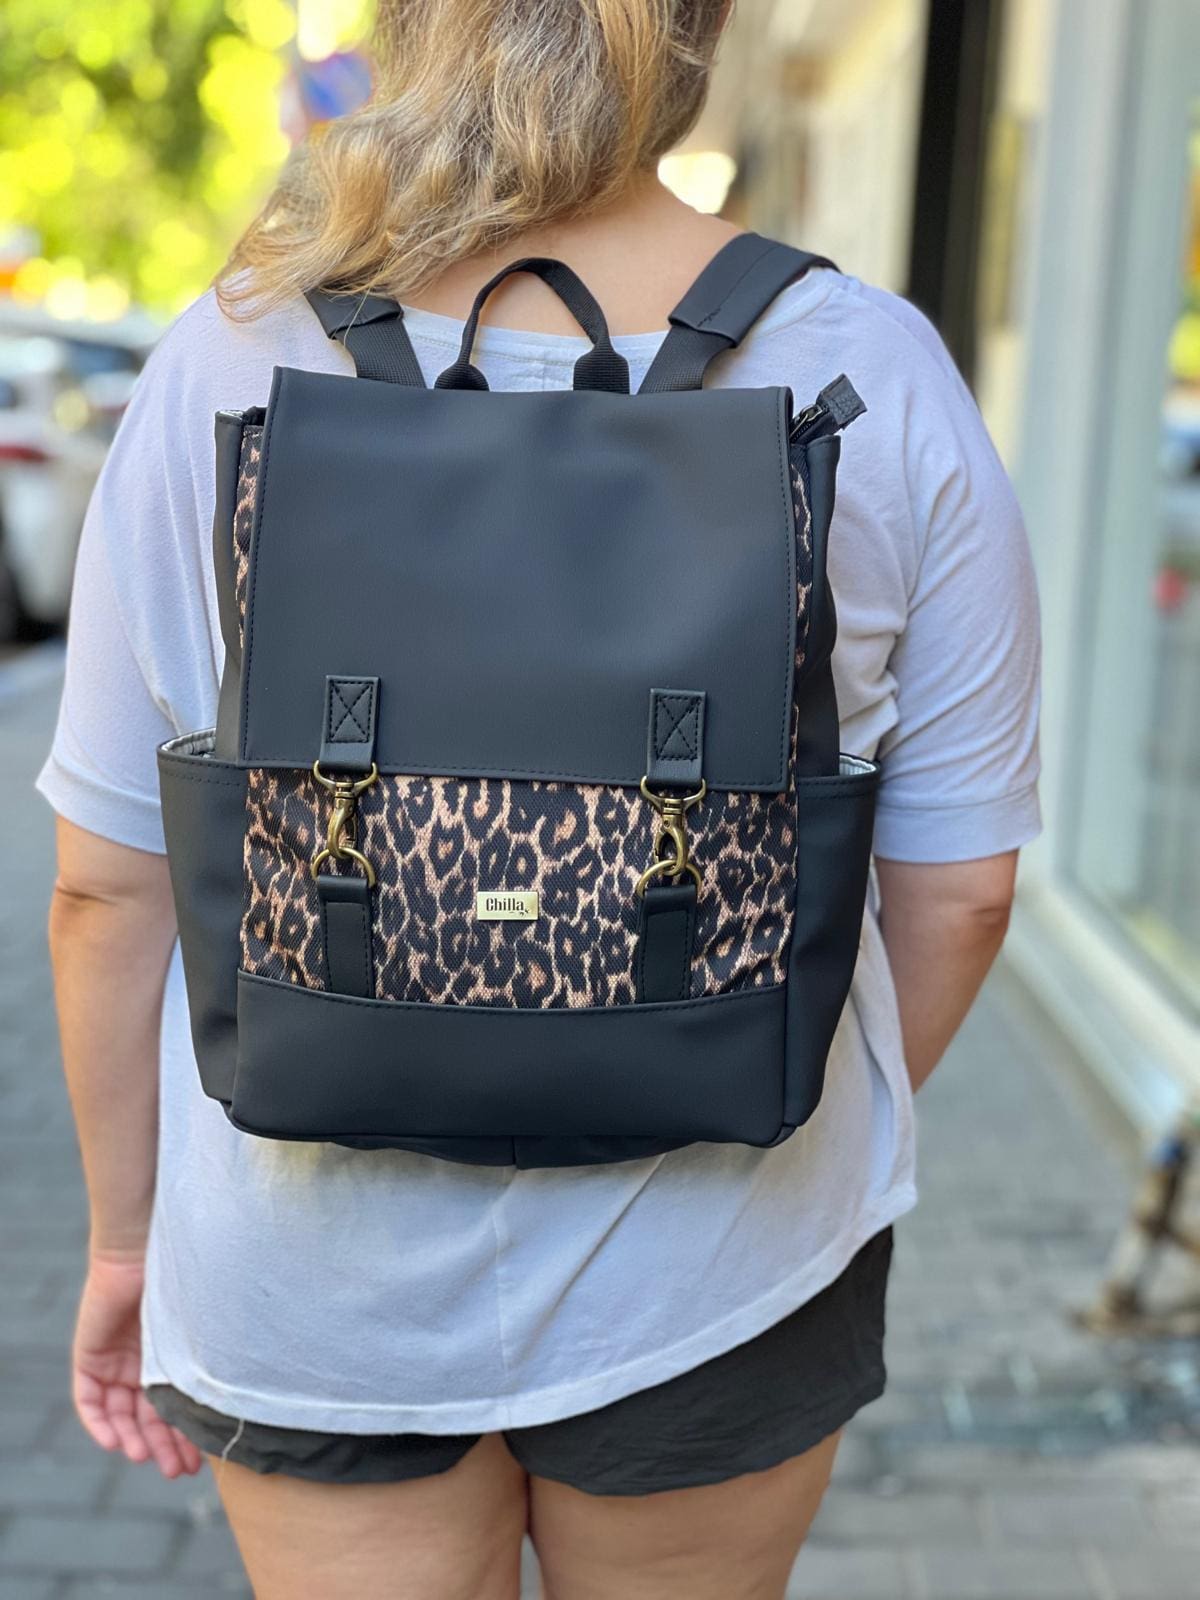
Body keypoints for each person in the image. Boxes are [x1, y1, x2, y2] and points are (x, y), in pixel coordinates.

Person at [37, 2, 1041, 1596]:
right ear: (701, 29)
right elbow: (964, 889)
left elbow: (107, 885)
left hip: (311, 1282)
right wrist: (756, 1071)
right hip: (722, 1274)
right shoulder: (871, 365)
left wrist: (118, 1241)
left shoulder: (237, 349)